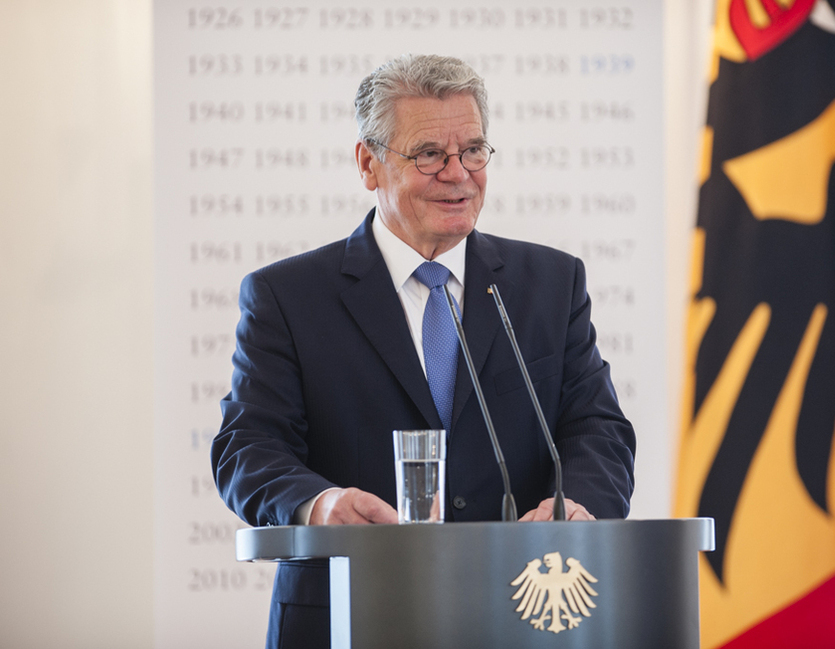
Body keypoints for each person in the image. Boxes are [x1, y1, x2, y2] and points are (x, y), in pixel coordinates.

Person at [212, 53, 636, 648]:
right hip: (347, 613)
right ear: (368, 162)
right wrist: (319, 503)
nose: (459, 174)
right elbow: (247, 447)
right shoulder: (288, 296)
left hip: (525, 613)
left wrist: (577, 505)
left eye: (474, 151)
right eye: (430, 154)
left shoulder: (550, 282)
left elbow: (598, 428)